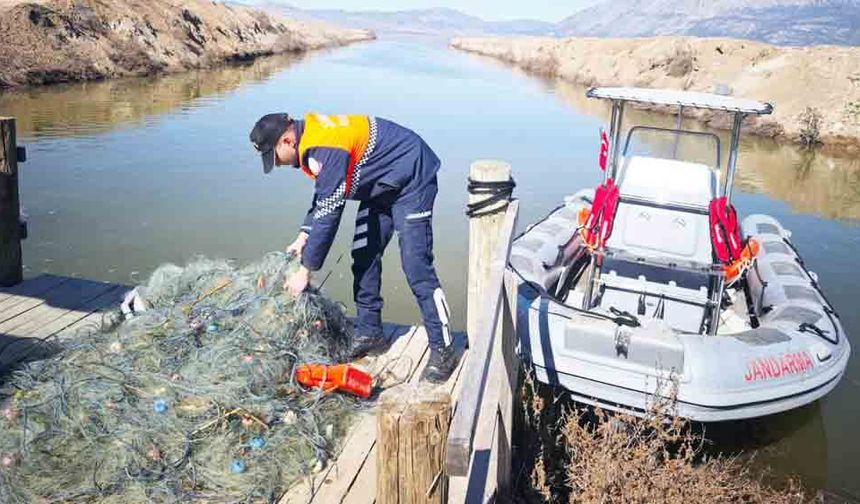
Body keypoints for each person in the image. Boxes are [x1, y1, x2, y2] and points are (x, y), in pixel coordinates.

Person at [249, 112, 459, 383]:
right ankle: (371, 332)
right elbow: (326, 193)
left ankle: (444, 349)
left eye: (274, 156)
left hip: (411, 178)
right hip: (381, 183)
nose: (276, 164)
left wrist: (305, 271)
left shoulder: (324, 146)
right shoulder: (311, 141)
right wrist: (304, 234)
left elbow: (330, 213)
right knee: (363, 254)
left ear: (287, 140)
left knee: (416, 265)